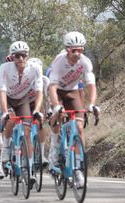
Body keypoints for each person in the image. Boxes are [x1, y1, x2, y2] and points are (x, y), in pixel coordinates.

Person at [48, 31, 100, 188]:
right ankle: (54, 154)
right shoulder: (59, 61)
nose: (77, 53)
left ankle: (77, 168)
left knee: (78, 126)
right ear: (67, 49)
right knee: (56, 120)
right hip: (56, 89)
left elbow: (91, 85)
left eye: (80, 50)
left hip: (71, 91)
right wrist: (57, 106)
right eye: (73, 50)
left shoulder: (85, 62)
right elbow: (52, 87)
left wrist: (91, 104)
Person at [0, 41, 43, 184]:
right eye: (17, 56)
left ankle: (29, 170)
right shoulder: (5, 68)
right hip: (9, 99)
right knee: (11, 119)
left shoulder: (35, 68)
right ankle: (6, 148)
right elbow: (2, 91)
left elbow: (39, 91)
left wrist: (36, 110)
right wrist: (5, 111)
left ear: (27, 56)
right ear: (12, 57)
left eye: (23, 55)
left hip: (23, 100)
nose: (21, 59)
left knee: (27, 133)